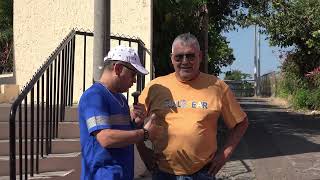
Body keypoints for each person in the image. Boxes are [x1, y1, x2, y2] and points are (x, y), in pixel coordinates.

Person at [137, 33, 249, 180]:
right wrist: (143, 151)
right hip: (162, 172)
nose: (185, 61)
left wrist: (224, 155)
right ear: (172, 59)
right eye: (179, 57)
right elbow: (134, 121)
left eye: (190, 56)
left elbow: (241, 123)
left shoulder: (217, 87)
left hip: (203, 173)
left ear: (200, 57)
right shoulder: (156, 86)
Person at [78, 45, 162, 180]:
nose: (134, 80)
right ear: (118, 69)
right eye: (133, 74)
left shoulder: (121, 98)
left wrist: (135, 124)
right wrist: (144, 133)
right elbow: (105, 138)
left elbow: (122, 135)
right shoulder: (94, 96)